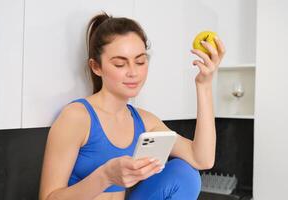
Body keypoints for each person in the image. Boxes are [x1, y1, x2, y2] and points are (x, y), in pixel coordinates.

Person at [39, 12, 225, 200]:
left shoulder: (145, 121)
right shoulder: (76, 117)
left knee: (184, 173)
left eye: (140, 61)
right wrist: (105, 176)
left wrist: (204, 85)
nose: (133, 72)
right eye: (120, 64)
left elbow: (202, 159)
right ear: (96, 67)